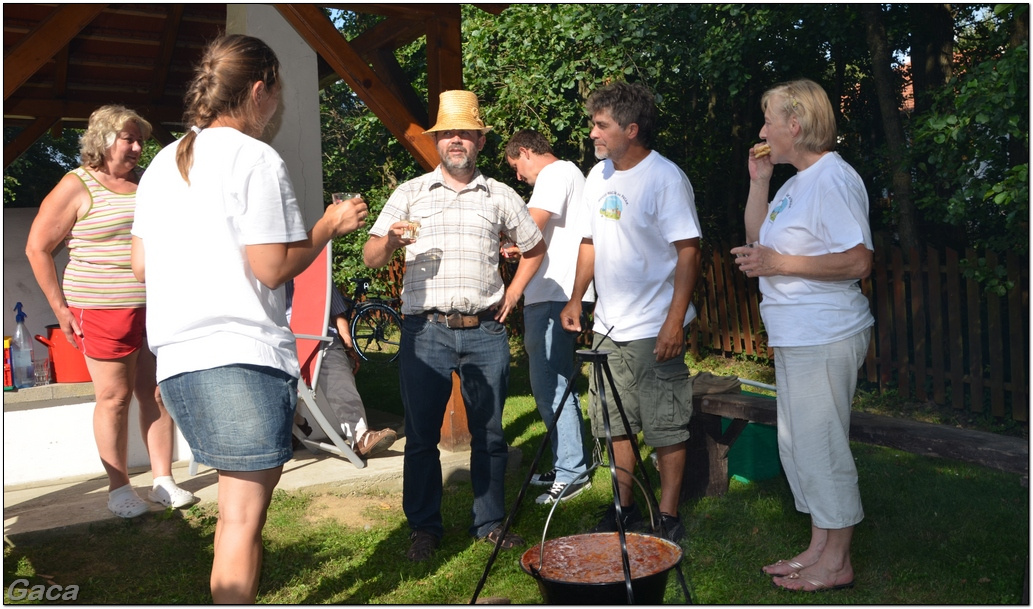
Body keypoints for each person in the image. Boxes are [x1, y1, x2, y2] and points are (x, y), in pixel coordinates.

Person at [130, 34, 367, 603]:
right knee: (240, 522)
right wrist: (328, 228)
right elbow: (270, 268)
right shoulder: (255, 157)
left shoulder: (163, 161)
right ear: (260, 89)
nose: (277, 104)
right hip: (238, 357)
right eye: (277, 91)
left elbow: (141, 265)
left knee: (234, 519)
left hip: (179, 363)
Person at [363, 90, 546, 562]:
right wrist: (388, 241)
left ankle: (488, 523)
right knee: (421, 436)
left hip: (485, 330)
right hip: (425, 332)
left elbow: (534, 248)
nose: (456, 141)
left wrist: (513, 293)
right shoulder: (409, 194)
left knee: (490, 434)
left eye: (465, 132)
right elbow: (370, 254)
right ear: (437, 142)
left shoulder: (500, 195)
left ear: (480, 141)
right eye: (448, 134)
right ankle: (424, 529)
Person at [732, 78, 872, 592]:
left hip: (825, 333)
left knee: (822, 445)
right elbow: (756, 240)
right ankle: (818, 547)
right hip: (795, 335)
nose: (762, 129)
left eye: (769, 119)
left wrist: (778, 261)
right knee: (798, 445)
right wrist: (758, 182)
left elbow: (859, 260)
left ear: (795, 125)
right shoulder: (795, 183)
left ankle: (837, 563)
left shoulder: (834, 178)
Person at [25, 104, 195, 519]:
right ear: (103, 140)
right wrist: (60, 308)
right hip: (100, 309)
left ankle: (162, 480)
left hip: (152, 307)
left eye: (140, 140)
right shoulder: (77, 184)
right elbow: (37, 247)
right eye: (129, 139)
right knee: (114, 398)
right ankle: (118, 489)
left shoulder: (142, 186)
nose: (138, 147)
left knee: (155, 393)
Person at [559, 81, 702, 544]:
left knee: (664, 423)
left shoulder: (665, 178)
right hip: (607, 326)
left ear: (632, 129)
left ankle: (667, 515)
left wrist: (673, 321)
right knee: (612, 421)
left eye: (601, 125)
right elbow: (589, 243)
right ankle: (623, 508)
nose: (593, 133)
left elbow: (688, 252)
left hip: (653, 325)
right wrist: (577, 298)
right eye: (594, 124)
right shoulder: (597, 176)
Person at [503, 129, 593, 505]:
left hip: (556, 293)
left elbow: (532, 223)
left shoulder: (555, 174)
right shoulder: (571, 174)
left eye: (516, 168)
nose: (519, 177)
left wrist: (506, 241)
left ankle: (573, 472)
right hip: (557, 292)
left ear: (525, 152)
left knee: (550, 382)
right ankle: (565, 461)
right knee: (550, 380)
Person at [285, 280, 397, 459]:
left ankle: (360, 435)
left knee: (338, 375)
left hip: (321, 338)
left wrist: (347, 342)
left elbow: (337, 311)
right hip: (280, 341)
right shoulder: (260, 265)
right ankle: (295, 426)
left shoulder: (317, 267)